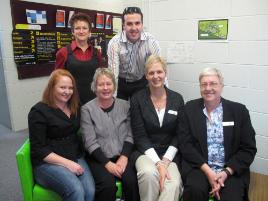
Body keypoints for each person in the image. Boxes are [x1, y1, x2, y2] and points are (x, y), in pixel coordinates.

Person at [178, 67, 257, 201]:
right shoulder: (189, 109)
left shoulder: (239, 111)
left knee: (232, 197)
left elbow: (248, 148)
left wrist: (226, 172)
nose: (208, 88)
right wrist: (208, 171)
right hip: (199, 167)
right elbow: (185, 145)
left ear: (221, 86)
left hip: (230, 169)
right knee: (194, 191)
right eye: (204, 84)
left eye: (213, 83)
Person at [28, 69, 95, 201]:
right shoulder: (38, 112)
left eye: (70, 88)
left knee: (90, 191)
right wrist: (68, 164)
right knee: (75, 190)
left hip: (75, 155)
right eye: (62, 87)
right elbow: (39, 149)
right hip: (47, 162)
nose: (67, 91)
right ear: (52, 87)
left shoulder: (75, 106)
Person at [80, 68, 139, 201]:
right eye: (101, 84)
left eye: (109, 84)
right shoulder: (87, 109)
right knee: (107, 186)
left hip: (123, 156)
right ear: (95, 87)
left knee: (131, 182)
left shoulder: (126, 105)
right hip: (98, 158)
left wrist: (124, 157)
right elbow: (89, 142)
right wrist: (107, 163)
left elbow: (131, 134)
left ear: (114, 86)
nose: (105, 88)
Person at [130, 55, 184, 201]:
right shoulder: (137, 99)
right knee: (148, 174)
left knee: (173, 183)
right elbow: (140, 136)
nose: (156, 76)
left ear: (165, 73)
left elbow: (179, 134)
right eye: (151, 73)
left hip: (170, 154)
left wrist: (165, 161)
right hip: (145, 152)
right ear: (146, 76)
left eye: (159, 72)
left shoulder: (177, 99)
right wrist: (158, 164)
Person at [108, 6, 161, 100]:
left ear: (142, 24)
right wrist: (113, 101)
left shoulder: (151, 41)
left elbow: (158, 70)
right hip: (121, 83)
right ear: (123, 25)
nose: (134, 28)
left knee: (139, 111)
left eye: (137, 23)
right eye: (129, 24)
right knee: (119, 110)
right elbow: (113, 74)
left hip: (141, 82)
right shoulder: (114, 43)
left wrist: (161, 95)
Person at [55, 12, 102, 105]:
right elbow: (56, 81)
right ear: (73, 31)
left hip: (93, 102)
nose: (81, 31)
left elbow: (99, 79)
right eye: (77, 28)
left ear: (89, 32)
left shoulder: (97, 53)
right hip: (71, 102)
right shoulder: (63, 53)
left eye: (84, 28)